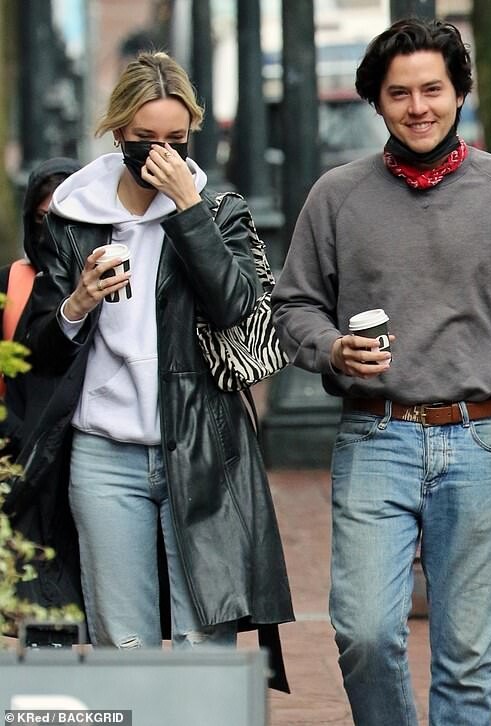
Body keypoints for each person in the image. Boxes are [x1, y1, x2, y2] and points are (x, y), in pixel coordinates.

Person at [271, 18, 491, 724]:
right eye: (399, 93)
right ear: (377, 102)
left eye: (432, 89)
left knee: (466, 656)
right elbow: (293, 307)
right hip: (375, 437)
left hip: (479, 441)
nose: (418, 107)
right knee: (365, 633)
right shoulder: (336, 196)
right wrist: (333, 348)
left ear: (460, 92)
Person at [20, 51, 293, 685]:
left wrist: (187, 209)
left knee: (204, 645)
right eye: (145, 138)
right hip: (103, 454)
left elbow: (236, 308)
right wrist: (77, 303)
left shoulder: (218, 211)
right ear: (119, 132)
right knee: (125, 646)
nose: (160, 153)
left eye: (176, 138)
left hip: (201, 447)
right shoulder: (74, 216)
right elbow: (38, 350)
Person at [0, 157, 82, 619]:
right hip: (26, 462)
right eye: (42, 217)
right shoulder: (12, 282)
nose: (53, 231)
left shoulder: (113, 278)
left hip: (91, 453)